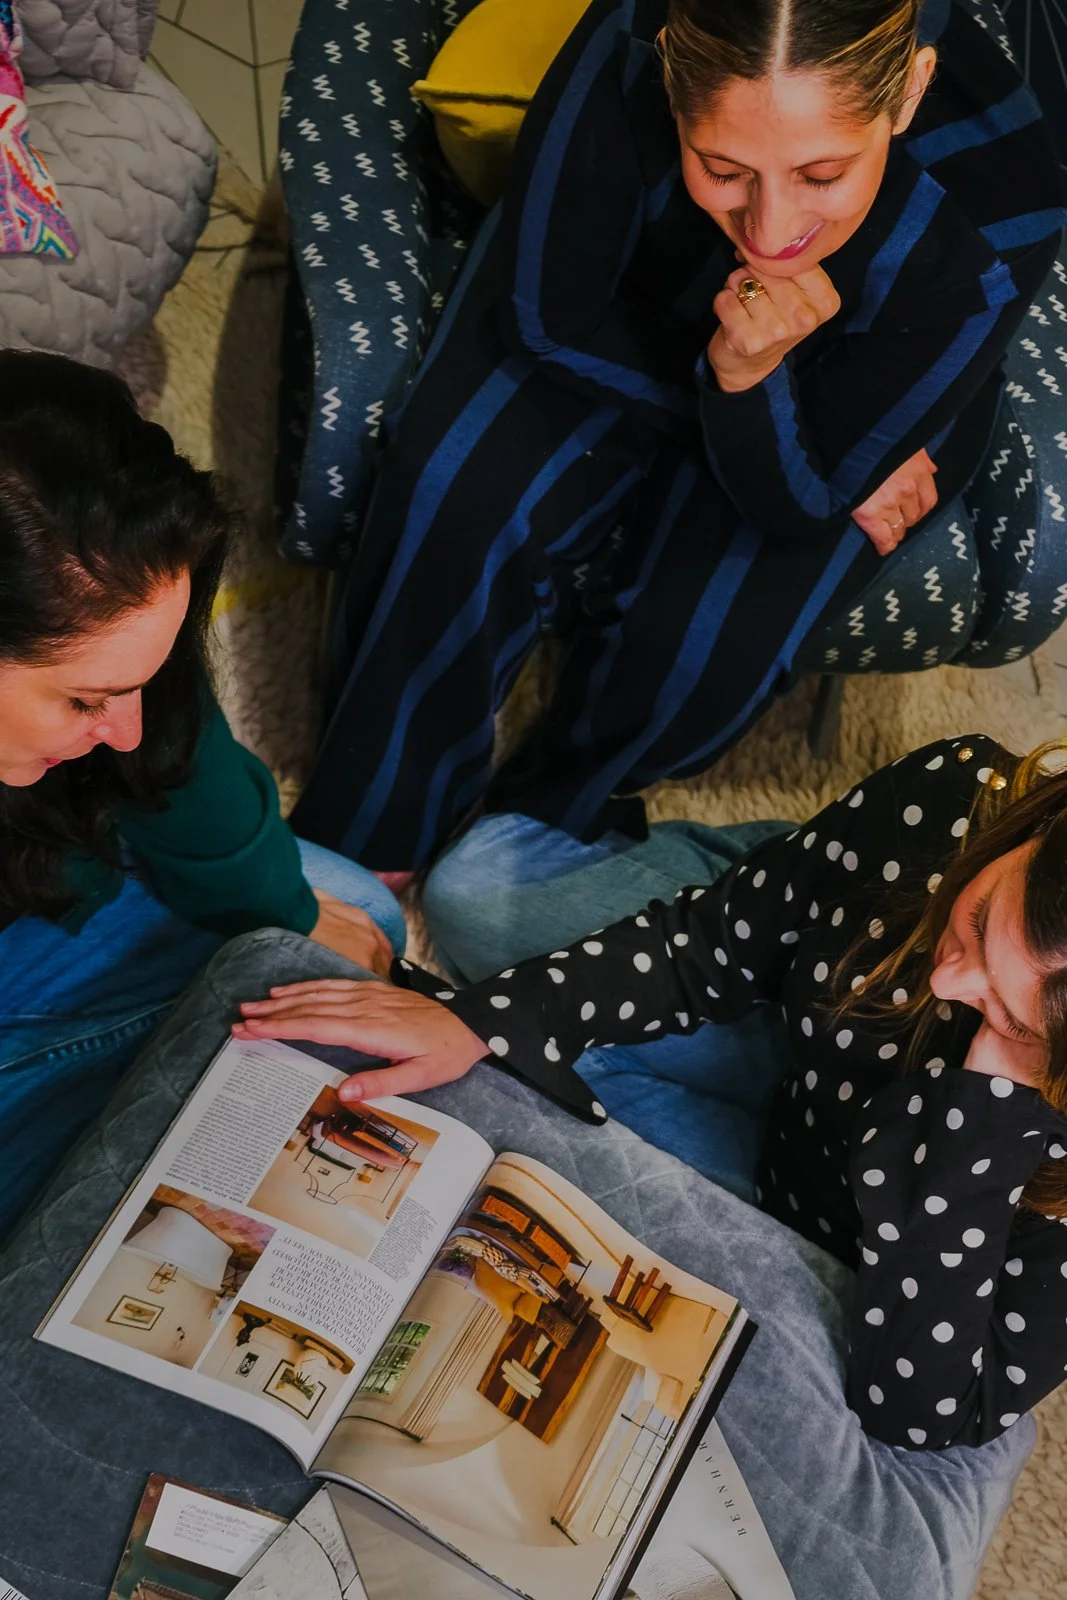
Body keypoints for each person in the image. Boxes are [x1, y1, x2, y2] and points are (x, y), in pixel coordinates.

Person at [291, 0, 1063, 872]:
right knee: (454, 495)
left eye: (822, 172)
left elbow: (797, 501)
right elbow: (551, 314)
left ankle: (549, 813)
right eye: (722, 167)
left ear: (910, 91)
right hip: (618, 304)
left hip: (861, 371)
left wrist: (756, 384)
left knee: (705, 640)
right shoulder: (629, 42)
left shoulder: (1004, 211)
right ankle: (370, 842)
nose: (771, 235)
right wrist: (728, 383)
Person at [237, 733, 1067, 1455]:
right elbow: (706, 944)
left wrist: (981, 1121)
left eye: (1013, 1015)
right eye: (979, 916)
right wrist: (481, 1021)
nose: (950, 979)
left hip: (831, 1227)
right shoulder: (959, 797)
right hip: (807, 1033)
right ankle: (750, 852)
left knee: (523, 1099)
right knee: (472, 891)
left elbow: (920, 1414)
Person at [0, 351, 402, 1239]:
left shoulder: (108, 651)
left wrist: (285, 911)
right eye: (86, 699)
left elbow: (179, 762)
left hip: (52, 887)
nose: (130, 728)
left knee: (357, 922)